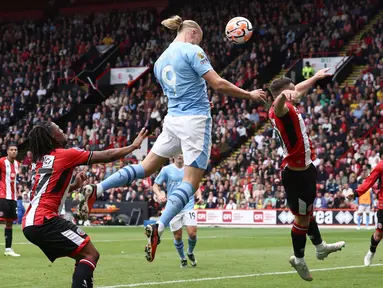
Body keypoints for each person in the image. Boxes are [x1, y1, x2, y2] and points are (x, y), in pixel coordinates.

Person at [79, 15, 266, 263]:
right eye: (199, 39)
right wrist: (249, 94)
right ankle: (160, 226)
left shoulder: (159, 62)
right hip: (195, 121)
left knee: (145, 167)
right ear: (192, 34)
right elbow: (219, 84)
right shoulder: (192, 49)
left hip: (173, 120)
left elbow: (182, 88)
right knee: (191, 181)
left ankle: (99, 187)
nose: (199, 43)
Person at [22, 121, 147, 288]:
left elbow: (48, 191)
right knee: (90, 254)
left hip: (31, 222)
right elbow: (108, 155)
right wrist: (133, 146)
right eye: (59, 129)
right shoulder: (65, 154)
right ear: (54, 137)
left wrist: (74, 186)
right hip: (44, 220)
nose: (63, 130)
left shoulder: (40, 161)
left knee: (84, 256)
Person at [268, 69, 345, 282]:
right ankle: (299, 259)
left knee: (308, 213)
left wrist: (315, 77)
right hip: (297, 175)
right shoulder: (279, 110)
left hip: (306, 169)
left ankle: (320, 247)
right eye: (290, 91)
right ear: (283, 94)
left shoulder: (287, 100)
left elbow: (296, 90)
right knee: (302, 218)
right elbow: (279, 104)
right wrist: (284, 97)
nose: (296, 92)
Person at [153, 155, 202, 268]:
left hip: (188, 205)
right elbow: (155, 185)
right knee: (178, 236)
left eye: (182, 153)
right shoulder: (166, 170)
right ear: (172, 156)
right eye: (177, 153)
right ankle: (182, 258)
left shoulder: (189, 169)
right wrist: (159, 194)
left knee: (192, 233)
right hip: (173, 207)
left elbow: (195, 184)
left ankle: (189, 252)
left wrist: (198, 195)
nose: (179, 155)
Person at [346, 160, 383, 266]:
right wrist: (356, 193)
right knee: (379, 234)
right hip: (382, 204)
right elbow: (369, 181)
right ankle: (371, 251)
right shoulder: (381, 165)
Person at [0, 144, 21, 257]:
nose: (13, 151)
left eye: (15, 150)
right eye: (11, 150)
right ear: (7, 151)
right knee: (2, 220)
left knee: (9, 222)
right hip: (2, 196)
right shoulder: (2, 162)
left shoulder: (18, 164)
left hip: (13, 198)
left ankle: (8, 249)